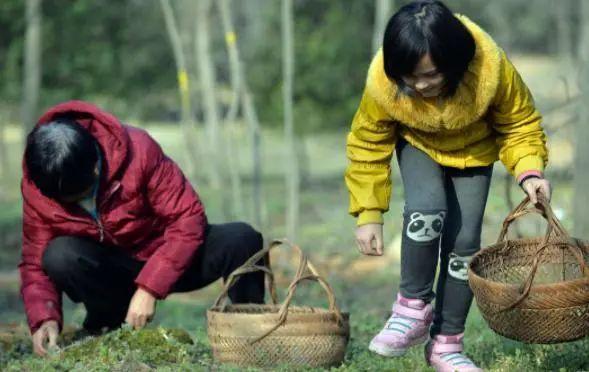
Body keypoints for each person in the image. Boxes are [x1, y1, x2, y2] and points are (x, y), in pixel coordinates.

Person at [344, 1, 550, 371]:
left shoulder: (490, 69)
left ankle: (446, 344)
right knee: (426, 210)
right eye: (410, 77)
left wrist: (530, 171)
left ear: (454, 62)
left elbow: (520, 123)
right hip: (419, 144)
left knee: (465, 245)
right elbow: (368, 143)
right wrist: (369, 213)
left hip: (474, 153)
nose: (420, 85)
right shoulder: (384, 84)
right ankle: (411, 309)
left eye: (430, 75)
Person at [20, 100, 265, 356]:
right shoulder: (39, 187)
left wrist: (150, 287)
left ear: (95, 166)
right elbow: (34, 262)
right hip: (110, 270)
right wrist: (44, 317)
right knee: (59, 255)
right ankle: (107, 324)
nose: (79, 203)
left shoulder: (138, 150)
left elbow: (187, 219)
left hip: (166, 253)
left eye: (82, 194)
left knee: (242, 238)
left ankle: (251, 335)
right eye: (70, 201)